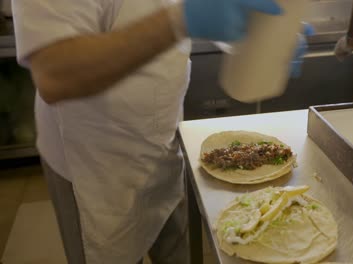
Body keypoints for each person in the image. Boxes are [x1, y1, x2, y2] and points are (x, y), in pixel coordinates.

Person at [11, 0, 305, 263]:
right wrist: (179, 20)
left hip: (161, 142)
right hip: (95, 162)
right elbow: (54, 73)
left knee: (178, 250)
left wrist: (256, 37)